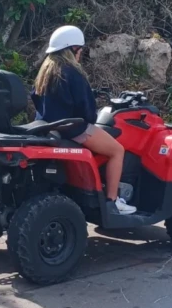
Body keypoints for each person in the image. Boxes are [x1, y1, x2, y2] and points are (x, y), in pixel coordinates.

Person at [31, 26, 136, 215]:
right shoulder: (73, 72)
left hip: (47, 126)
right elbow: (88, 111)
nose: (80, 54)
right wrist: (90, 119)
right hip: (72, 128)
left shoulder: (46, 71)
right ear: (72, 49)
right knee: (117, 151)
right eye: (80, 50)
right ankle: (112, 201)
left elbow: (36, 98)